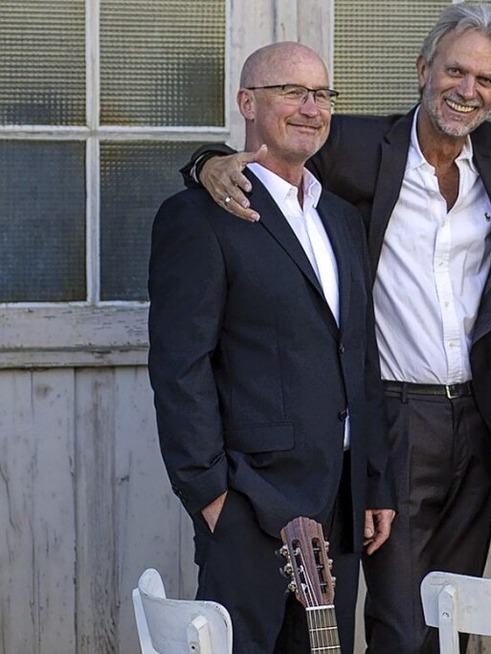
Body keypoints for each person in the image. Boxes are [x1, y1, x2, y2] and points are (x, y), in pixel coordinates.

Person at [181, 5, 491, 652]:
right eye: (455, 70)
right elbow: (283, 140)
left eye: (487, 80)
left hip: (476, 418)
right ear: (422, 70)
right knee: (399, 613)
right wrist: (208, 162)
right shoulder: (359, 146)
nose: (468, 90)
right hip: (392, 414)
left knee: (454, 607)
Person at [147, 42, 395, 654]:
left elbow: (358, 356)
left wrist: (373, 481)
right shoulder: (200, 216)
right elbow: (180, 366)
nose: (311, 108)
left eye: (322, 94)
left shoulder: (341, 217)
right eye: (291, 91)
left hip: (340, 504)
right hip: (250, 502)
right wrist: (211, 495)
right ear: (247, 102)